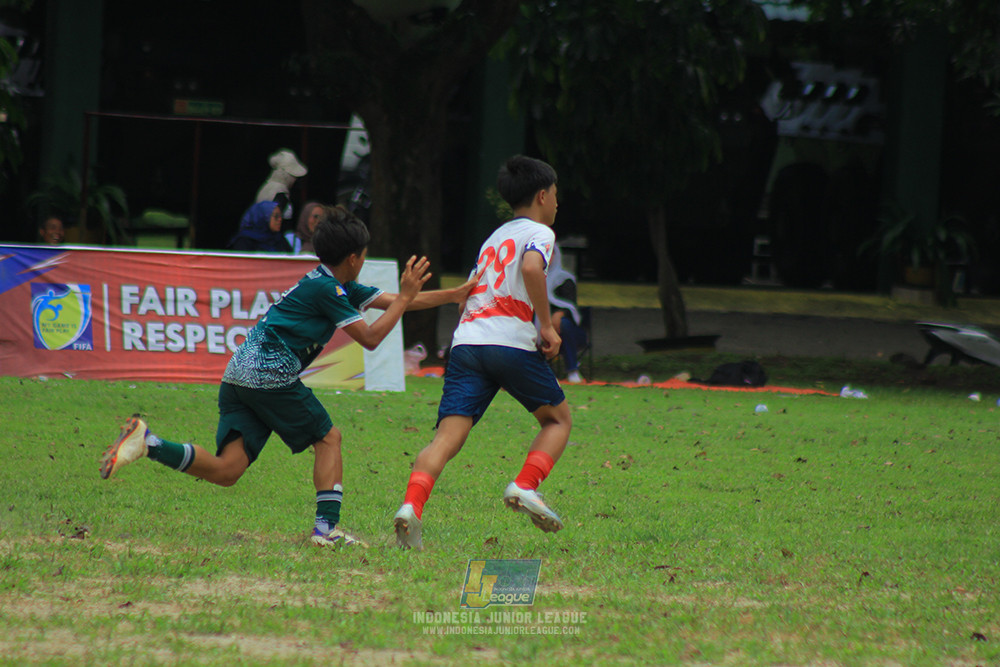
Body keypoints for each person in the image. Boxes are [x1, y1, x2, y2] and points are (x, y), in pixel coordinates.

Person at [99, 205, 480, 548]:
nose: (363, 261)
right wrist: (404, 296)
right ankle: (326, 530)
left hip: (238, 376)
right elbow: (372, 338)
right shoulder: (328, 289)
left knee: (228, 470)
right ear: (352, 258)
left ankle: (146, 443)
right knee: (329, 438)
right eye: (363, 256)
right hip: (269, 376)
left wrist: (455, 295)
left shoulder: (331, 282)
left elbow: (396, 300)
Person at [392, 155, 572, 550]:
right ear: (542, 196)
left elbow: (466, 300)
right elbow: (530, 269)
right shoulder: (539, 233)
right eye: (556, 196)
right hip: (509, 342)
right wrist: (544, 325)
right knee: (557, 420)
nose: (558, 204)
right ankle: (524, 485)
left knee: (446, 437)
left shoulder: (493, 238)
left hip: (467, 343)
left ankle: (410, 507)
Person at [544, 244, 588, 383]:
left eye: (550, 254)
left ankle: (572, 370)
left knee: (564, 323)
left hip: (570, 333)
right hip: (543, 331)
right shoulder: (534, 279)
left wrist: (559, 314)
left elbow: (570, 306)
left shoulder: (565, 279)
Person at [255, 148, 307, 222]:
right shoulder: (280, 193)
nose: (295, 180)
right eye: (294, 176)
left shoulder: (267, 187)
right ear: (287, 175)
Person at [226, 201, 292, 252]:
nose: (280, 220)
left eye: (281, 216)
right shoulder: (244, 241)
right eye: (276, 216)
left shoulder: (279, 239)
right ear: (263, 218)